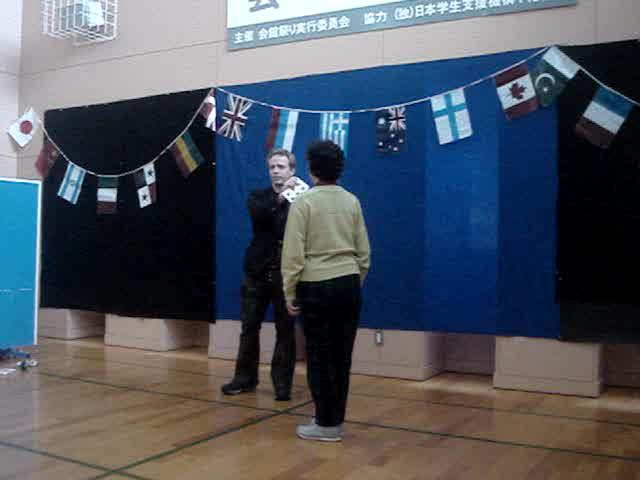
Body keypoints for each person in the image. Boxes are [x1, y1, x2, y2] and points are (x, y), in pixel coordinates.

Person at [281, 140, 371, 442]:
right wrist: (352, 282)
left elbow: (293, 256)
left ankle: (325, 423)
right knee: (341, 356)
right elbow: (364, 254)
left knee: (319, 357)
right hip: (348, 285)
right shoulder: (352, 202)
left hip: (315, 287)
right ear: (340, 169)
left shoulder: (303, 203)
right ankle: (335, 421)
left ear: (311, 168)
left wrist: (289, 292)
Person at [221, 149, 301, 401]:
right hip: (256, 272)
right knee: (249, 327)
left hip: (286, 275)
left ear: (292, 170)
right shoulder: (258, 197)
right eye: (272, 167)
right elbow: (263, 216)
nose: (276, 171)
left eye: (281, 167)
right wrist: (283, 197)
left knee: (285, 332)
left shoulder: (302, 200)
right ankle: (244, 379)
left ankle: (282, 384)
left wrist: (293, 197)